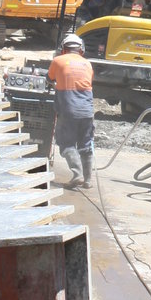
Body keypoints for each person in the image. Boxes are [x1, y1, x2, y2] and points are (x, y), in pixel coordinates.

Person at [46, 33, 95, 186]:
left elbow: (49, 79)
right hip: (87, 112)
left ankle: (77, 174)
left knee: (66, 143)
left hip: (68, 110)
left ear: (63, 49)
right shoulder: (87, 64)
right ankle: (88, 180)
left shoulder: (58, 60)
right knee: (86, 145)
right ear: (81, 50)